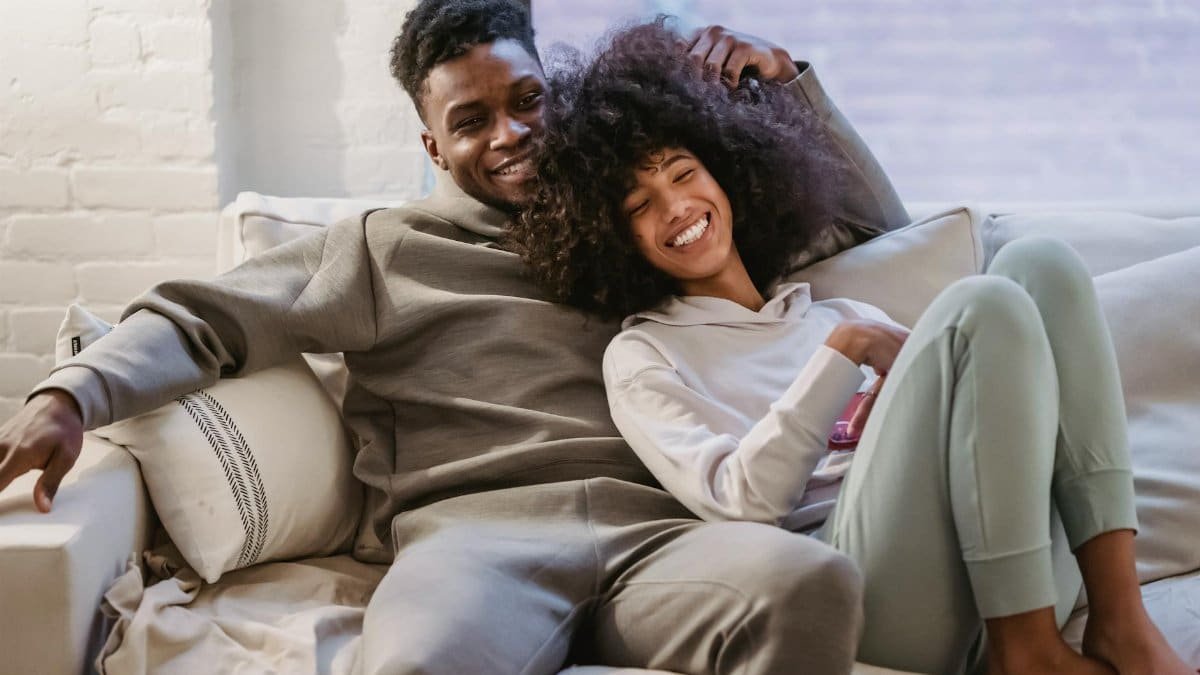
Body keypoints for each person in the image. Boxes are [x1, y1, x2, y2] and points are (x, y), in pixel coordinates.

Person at [0, 2, 913, 674]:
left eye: (527, 101)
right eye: (472, 121)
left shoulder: (632, 220)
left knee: (808, 581)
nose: (510, 134)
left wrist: (788, 84)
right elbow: (207, 316)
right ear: (434, 146)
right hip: (477, 544)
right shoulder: (381, 248)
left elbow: (870, 231)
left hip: (665, 534)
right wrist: (70, 395)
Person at [511, 19, 1194, 675]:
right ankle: (1028, 652)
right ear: (611, 238)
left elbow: (889, 241)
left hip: (1001, 559)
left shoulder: (832, 307)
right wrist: (842, 354)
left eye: (682, 171)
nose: (676, 207)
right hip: (877, 596)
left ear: (725, 171)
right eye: (638, 205)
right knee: (980, 302)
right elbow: (743, 503)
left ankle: (1120, 617)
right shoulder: (646, 356)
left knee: (1043, 264)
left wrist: (861, 348)